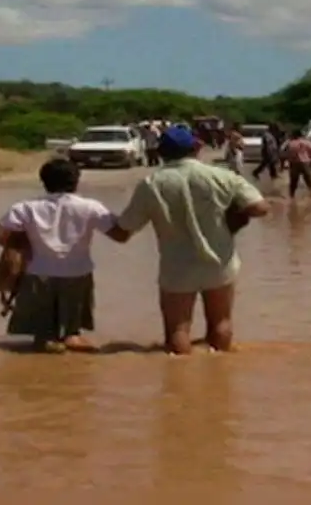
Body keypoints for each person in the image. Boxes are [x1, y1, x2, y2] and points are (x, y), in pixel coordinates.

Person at [105, 127, 270, 355]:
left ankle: (179, 377)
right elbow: (260, 208)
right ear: (197, 148)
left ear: (161, 152)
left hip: (176, 267)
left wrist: (94, 218)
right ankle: (220, 375)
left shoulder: (151, 184)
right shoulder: (222, 176)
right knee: (221, 322)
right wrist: (233, 221)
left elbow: (123, 232)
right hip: (219, 262)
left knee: (178, 330)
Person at [0, 158, 122, 353]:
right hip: (77, 274)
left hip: (37, 274)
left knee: (41, 339)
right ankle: (74, 349)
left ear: (44, 182)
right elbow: (119, 235)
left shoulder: (25, 208)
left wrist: (24, 245)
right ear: (76, 181)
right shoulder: (90, 207)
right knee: (72, 334)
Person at [283, 129, 311, 199]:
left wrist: (283, 164)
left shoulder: (290, 143)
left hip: (293, 163)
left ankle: (291, 196)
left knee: (293, 181)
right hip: (305, 163)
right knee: (310, 181)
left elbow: (283, 153)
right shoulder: (307, 143)